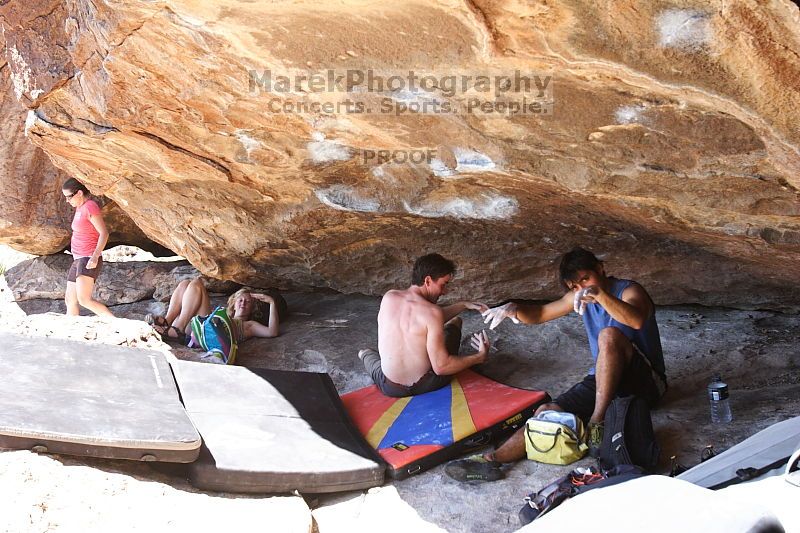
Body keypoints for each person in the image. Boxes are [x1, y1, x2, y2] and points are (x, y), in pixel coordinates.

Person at [445, 247, 667, 482]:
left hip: (645, 383)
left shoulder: (629, 290)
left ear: (601, 269)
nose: (581, 288)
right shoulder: (581, 295)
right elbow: (541, 312)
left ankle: (596, 423)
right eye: (575, 286)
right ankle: (493, 461)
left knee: (608, 336)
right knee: (547, 412)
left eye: (586, 278)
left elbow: (636, 319)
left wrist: (601, 295)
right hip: (605, 381)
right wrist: (514, 309)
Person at [358, 253, 491, 397]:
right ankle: (455, 329)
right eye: (443, 284)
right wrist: (479, 357)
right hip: (427, 384)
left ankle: (364, 354)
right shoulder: (433, 313)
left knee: (371, 358)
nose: (445, 291)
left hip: (390, 387)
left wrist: (463, 304)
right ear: (428, 280)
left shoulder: (389, 297)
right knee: (454, 324)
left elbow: (426, 319)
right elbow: (441, 367)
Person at [147, 278, 280, 343]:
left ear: (252, 308)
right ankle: (167, 321)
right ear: (233, 303)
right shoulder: (224, 312)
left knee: (197, 284)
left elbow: (272, 332)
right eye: (241, 300)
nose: (243, 303)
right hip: (198, 328)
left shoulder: (249, 325)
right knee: (185, 284)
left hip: (207, 335)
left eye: (248, 302)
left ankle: (178, 328)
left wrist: (271, 302)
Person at [62, 178, 114, 317]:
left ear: (79, 193)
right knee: (70, 299)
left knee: (84, 300)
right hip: (78, 258)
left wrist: (95, 256)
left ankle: (115, 323)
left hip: (88, 258)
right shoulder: (80, 207)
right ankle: (71, 329)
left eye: (68, 197)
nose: (67, 201)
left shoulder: (90, 206)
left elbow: (104, 233)